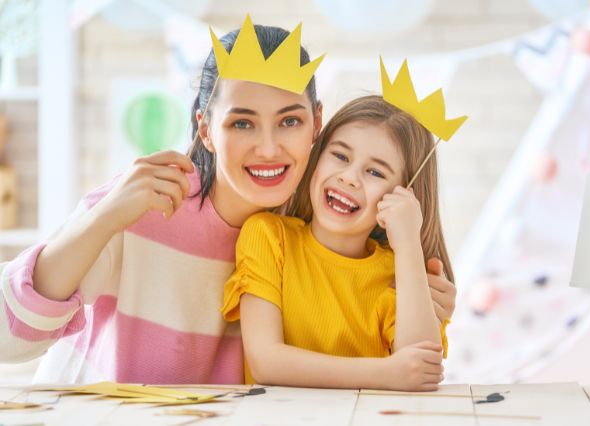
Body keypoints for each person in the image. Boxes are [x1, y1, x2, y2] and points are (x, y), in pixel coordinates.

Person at [0, 17, 455, 385]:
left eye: (290, 122)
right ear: (205, 129)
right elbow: (8, 342)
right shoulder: (146, 203)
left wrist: (415, 290)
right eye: (242, 123)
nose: (269, 147)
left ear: (316, 124)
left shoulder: (310, 231)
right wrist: (103, 218)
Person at [222, 87, 458, 391]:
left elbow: (420, 367)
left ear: (402, 195)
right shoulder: (268, 237)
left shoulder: (397, 273)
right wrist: (385, 373)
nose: (349, 177)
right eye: (340, 155)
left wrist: (409, 243)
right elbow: (266, 362)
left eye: (375, 172)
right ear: (318, 157)